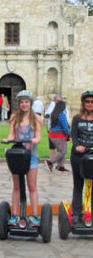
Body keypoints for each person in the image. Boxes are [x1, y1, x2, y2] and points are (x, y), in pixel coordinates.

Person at [2, 90, 42, 227]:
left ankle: (35, 216)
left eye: (26, 102)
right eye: (22, 102)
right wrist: (7, 140)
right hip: (18, 154)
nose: (24, 104)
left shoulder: (36, 118)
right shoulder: (14, 117)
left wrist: (34, 140)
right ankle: (14, 215)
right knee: (17, 187)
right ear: (19, 104)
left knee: (31, 186)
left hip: (31, 155)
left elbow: (38, 136)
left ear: (30, 103)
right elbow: (12, 135)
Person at [70, 90, 93, 225]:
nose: (90, 104)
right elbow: (74, 135)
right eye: (87, 102)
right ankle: (77, 214)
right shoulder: (77, 118)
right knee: (78, 185)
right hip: (79, 156)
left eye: (92, 102)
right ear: (83, 103)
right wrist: (77, 146)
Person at [45, 100, 70, 172]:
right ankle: (50, 161)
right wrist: (69, 134)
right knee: (63, 151)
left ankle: (61, 166)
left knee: (60, 150)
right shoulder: (61, 115)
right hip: (59, 135)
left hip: (52, 135)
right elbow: (65, 126)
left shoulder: (53, 114)